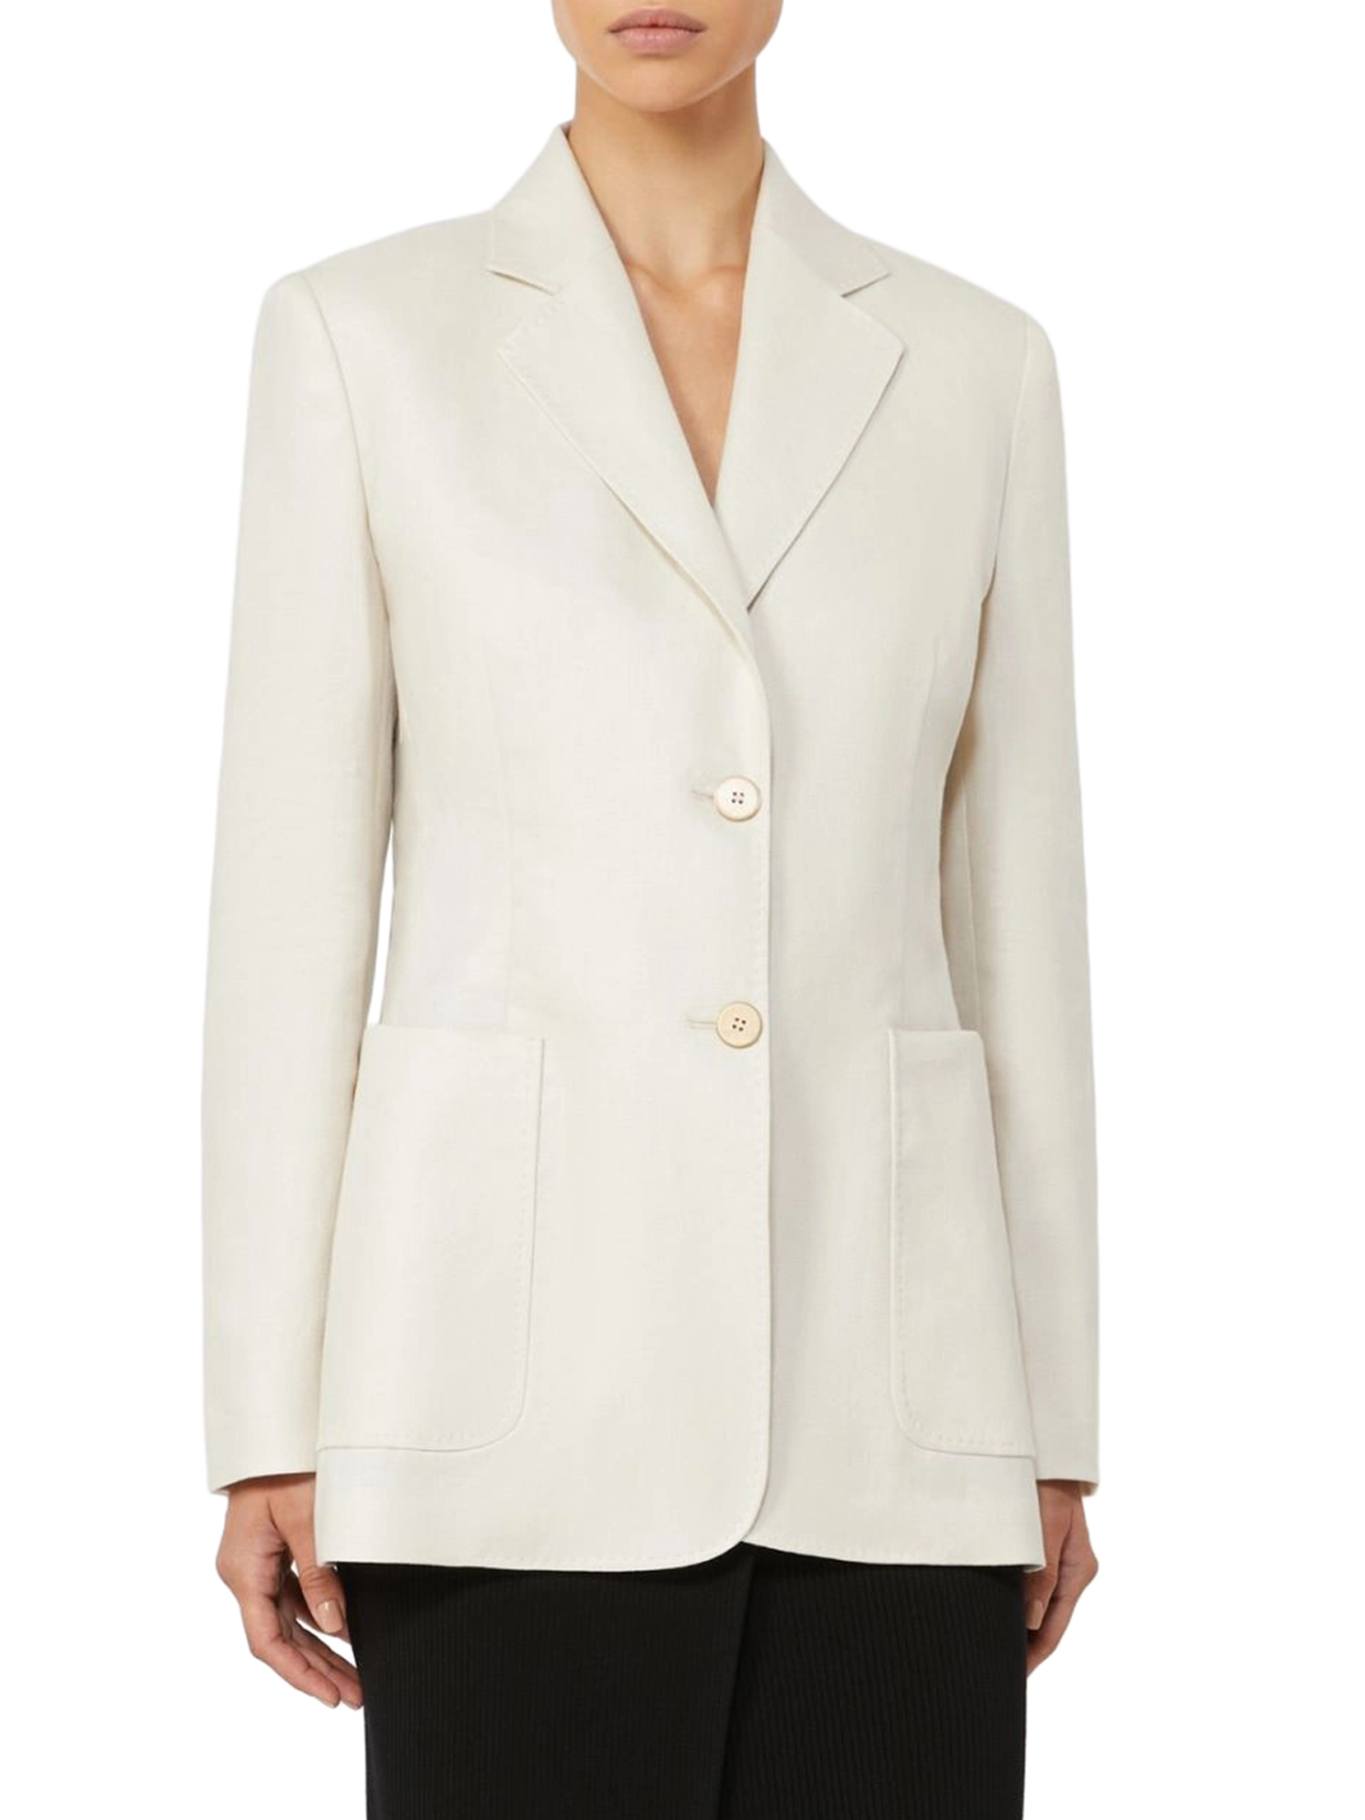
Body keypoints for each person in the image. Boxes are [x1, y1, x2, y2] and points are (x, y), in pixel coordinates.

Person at [203, 3, 1100, 1813]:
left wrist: (1053, 1417)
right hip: (494, 1397)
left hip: (891, 1396)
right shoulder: (365, 337)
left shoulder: (972, 364)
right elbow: (286, 918)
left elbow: (1018, 915)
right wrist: (268, 1421)